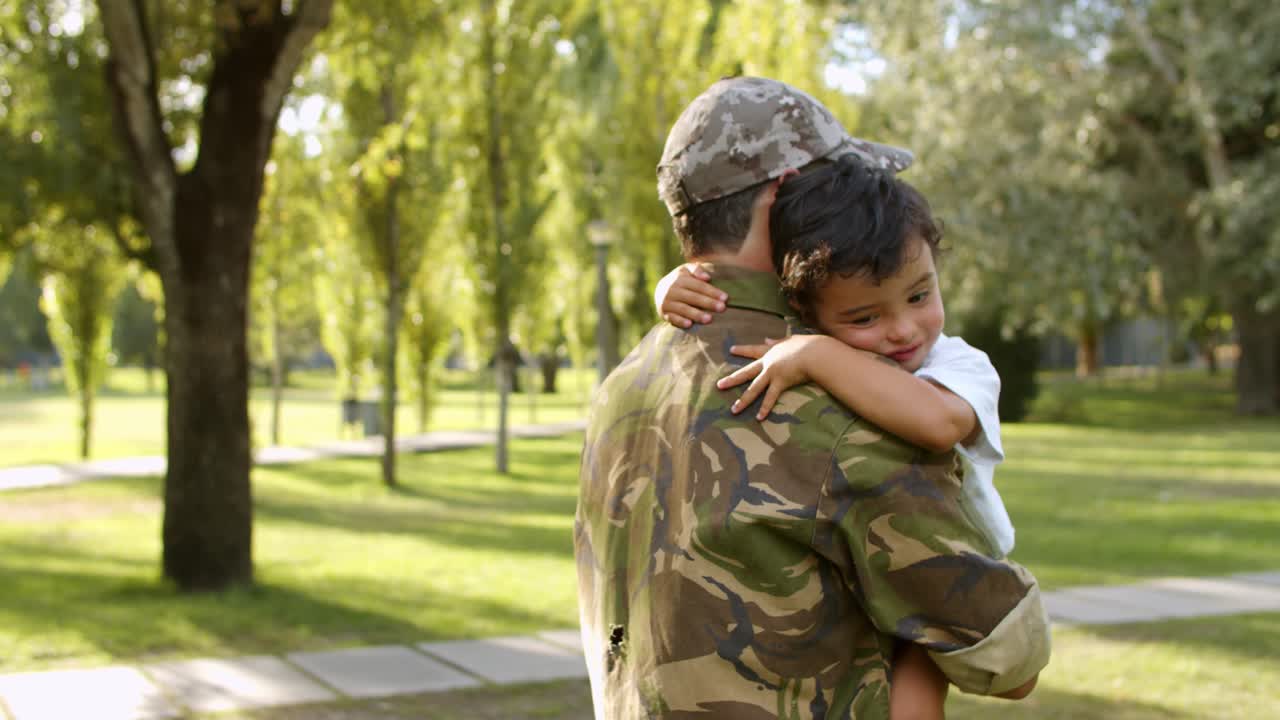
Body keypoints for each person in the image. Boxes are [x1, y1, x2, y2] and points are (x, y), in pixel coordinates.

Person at [574, 76, 1051, 720]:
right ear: (785, 195)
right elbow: (1008, 661)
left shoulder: (621, 388)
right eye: (839, 184)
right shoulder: (842, 400)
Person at [657, 155, 1015, 719]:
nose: (902, 330)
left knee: (915, 676)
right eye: (865, 318)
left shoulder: (960, 363)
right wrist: (674, 287)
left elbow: (939, 423)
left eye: (920, 296)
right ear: (805, 310)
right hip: (876, 562)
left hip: (954, 554)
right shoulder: (816, 341)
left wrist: (820, 353)